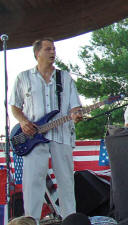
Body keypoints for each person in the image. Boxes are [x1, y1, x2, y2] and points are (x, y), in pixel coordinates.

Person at [9, 38, 83, 221]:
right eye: (48, 49)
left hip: (62, 134)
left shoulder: (64, 77)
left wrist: (76, 114)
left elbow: (75, 106)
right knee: (33, 181)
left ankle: (70, 220)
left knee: (66, 180)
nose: (53, 52)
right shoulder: (23, 77)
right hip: (32, 137)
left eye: (54, 49)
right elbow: (15, 107)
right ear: (37, 54)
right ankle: (29, 221)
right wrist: (24, 122)